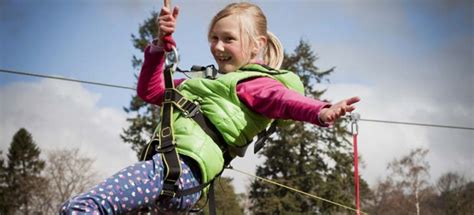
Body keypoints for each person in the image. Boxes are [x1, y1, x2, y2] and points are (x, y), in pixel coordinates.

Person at [60, 2, 360, 214]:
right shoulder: (204, 81)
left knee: (82, 208)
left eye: (228, 39)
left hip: (175, 172)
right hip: (176, 182)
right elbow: (151, 91)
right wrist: (159, 48)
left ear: (257, 45)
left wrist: (321, 111)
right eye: (213, 38)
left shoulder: (254, 84)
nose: (217, 47)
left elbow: (285, 101)